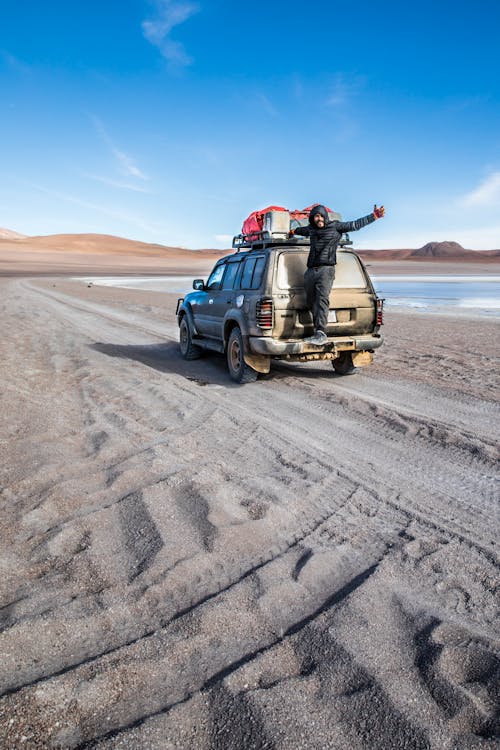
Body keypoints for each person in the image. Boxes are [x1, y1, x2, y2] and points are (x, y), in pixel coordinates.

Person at [290, 203, 385, 344]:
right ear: (312, 219)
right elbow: (301, 230)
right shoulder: (311, 229)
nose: (319, 219)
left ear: (325, 216)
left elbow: (355, 225)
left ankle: (320, 333)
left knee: (321, 299)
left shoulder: (336, 227)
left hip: (326, 270)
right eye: (316, 216)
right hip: (311, 271)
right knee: (310, 301)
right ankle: (316, 330)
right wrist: (292, 231)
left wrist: (374, 216)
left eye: (321, 216)